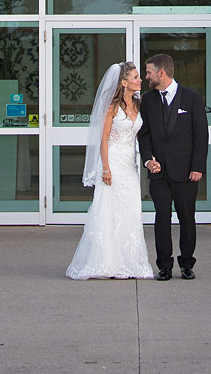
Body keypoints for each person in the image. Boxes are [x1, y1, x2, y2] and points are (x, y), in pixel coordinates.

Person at [65, 61, 155, 280]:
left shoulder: (139, 104)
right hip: (112, 161)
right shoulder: (111, 107)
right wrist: (105, 168)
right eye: (135, 77)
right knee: (108, 212)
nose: (140, 79)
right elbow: (103, 139)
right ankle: (106, 262)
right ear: (124, 82)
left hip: (129, 164)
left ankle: (131, 262)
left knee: (130, 211)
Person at [138, 53, 208, 280]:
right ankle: (164, 265)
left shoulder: (192, 98)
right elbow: (144, 134)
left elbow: (201, 136)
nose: (146, 77)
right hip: (159, 173)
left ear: (161, 72)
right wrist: (148, 159)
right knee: (162, 218)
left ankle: (187, 264)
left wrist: (198, 167)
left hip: (187, 172)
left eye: (149, 72)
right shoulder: (147, 100)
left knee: (187, 218)